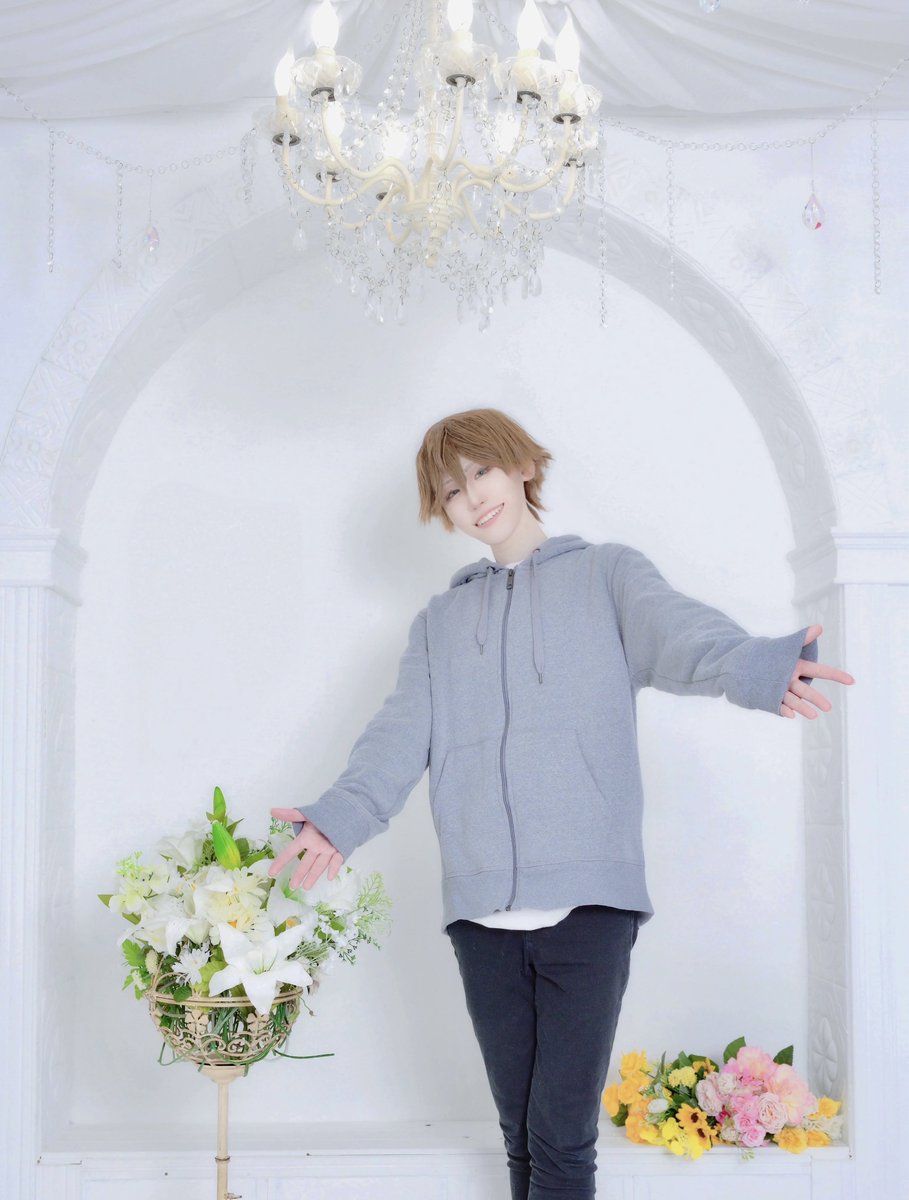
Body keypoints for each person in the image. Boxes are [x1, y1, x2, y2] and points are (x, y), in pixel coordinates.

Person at [269, 407, 854, 1200]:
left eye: (480, 472)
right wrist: (339, 820)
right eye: (451, 491)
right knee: (520, 1136)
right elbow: (397, 736)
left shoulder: (607, 576)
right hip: (481, 916)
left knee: (560, 1139)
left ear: (521, 467)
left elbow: (683, 637)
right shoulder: (441, 622)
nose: (472, 498)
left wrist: (757, 667)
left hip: (589, 906)